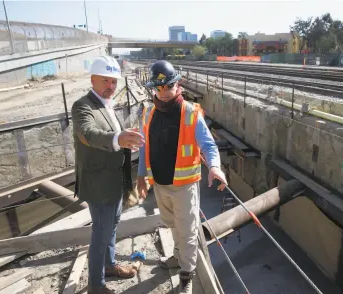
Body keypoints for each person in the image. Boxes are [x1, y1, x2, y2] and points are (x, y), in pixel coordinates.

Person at [137, 60, 228, 294]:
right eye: (159, 88)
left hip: (184, 186)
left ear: (178, 85)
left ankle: (187, 275)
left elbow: (208, 145)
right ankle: (178, 257)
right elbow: (144, 147)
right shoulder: (149, 113)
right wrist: (141, 177)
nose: (163, 93)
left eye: (168, 87)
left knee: (187, 231)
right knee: (171, 224)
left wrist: (215, 167)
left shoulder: (190, 113)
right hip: (160, 184)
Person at [71, 56, 145, 294]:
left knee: (112, 226)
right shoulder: (83, 106)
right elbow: (88, 133)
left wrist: (124, 138)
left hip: (114, 182)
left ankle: (110, 266)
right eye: (105, 80)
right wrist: (116, 138)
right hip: (98, 184)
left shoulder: (106, 104)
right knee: (100, 234)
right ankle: (96, 286)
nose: (111, 86)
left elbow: (113, 137)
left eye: (114, 81)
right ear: (92, 79)